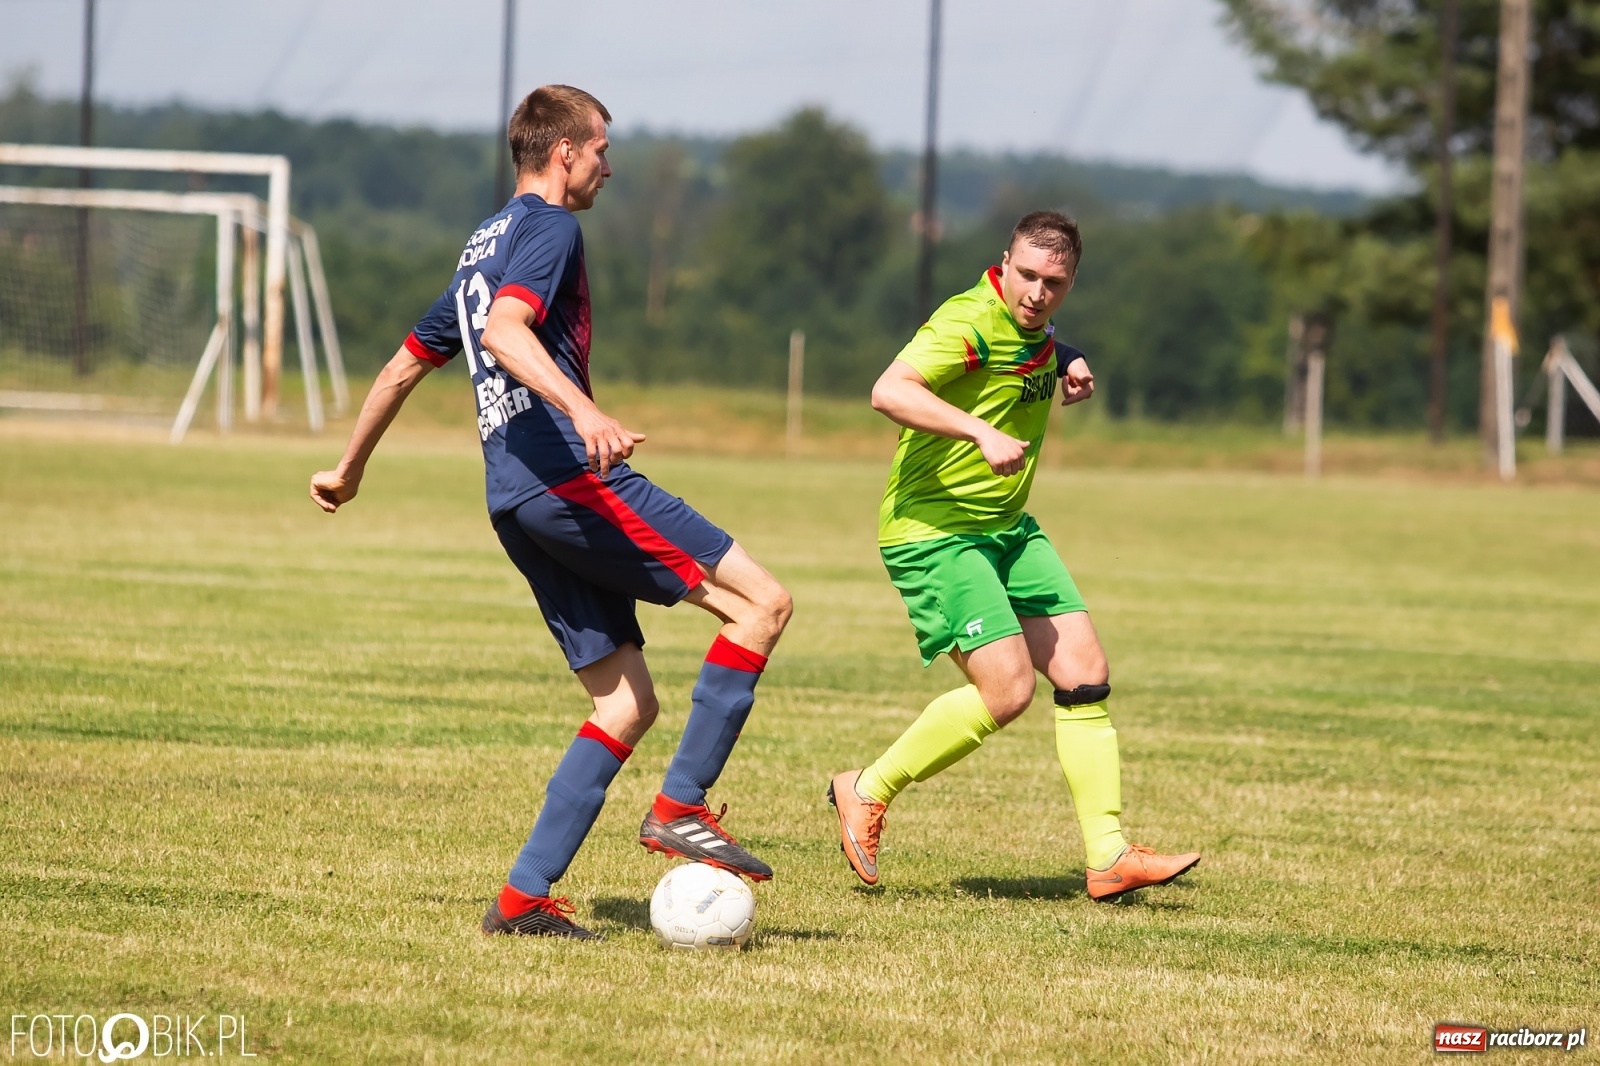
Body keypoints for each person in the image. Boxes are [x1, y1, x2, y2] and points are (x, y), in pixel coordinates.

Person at [309, 85, 792, 940]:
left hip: (514, 497)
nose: (610, 163)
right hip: (570, 478)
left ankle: (521, 900)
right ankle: (681, 806)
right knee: (763, 603)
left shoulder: (479, 246)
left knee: (625, 706)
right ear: (563, 151)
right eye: (601, 147)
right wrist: (584, 410)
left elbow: (402, 365)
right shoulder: (551, 228)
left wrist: (348, 469)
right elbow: (505, 331)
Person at [827, 211, 1199, 902]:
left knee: (1085, 673)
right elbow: (889, 390)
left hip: (1006, 528)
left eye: (1053, 283)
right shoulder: (967, 320)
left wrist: (1070, 356)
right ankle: (865, 789)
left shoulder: (1037, 324)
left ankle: (1109, 855)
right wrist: (977, 432)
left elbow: (1033, 342)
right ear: (1004, 262)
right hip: (934, 531)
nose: (1035, 293)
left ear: (1070, 283)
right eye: (1025, 275)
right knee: (1008, 692)